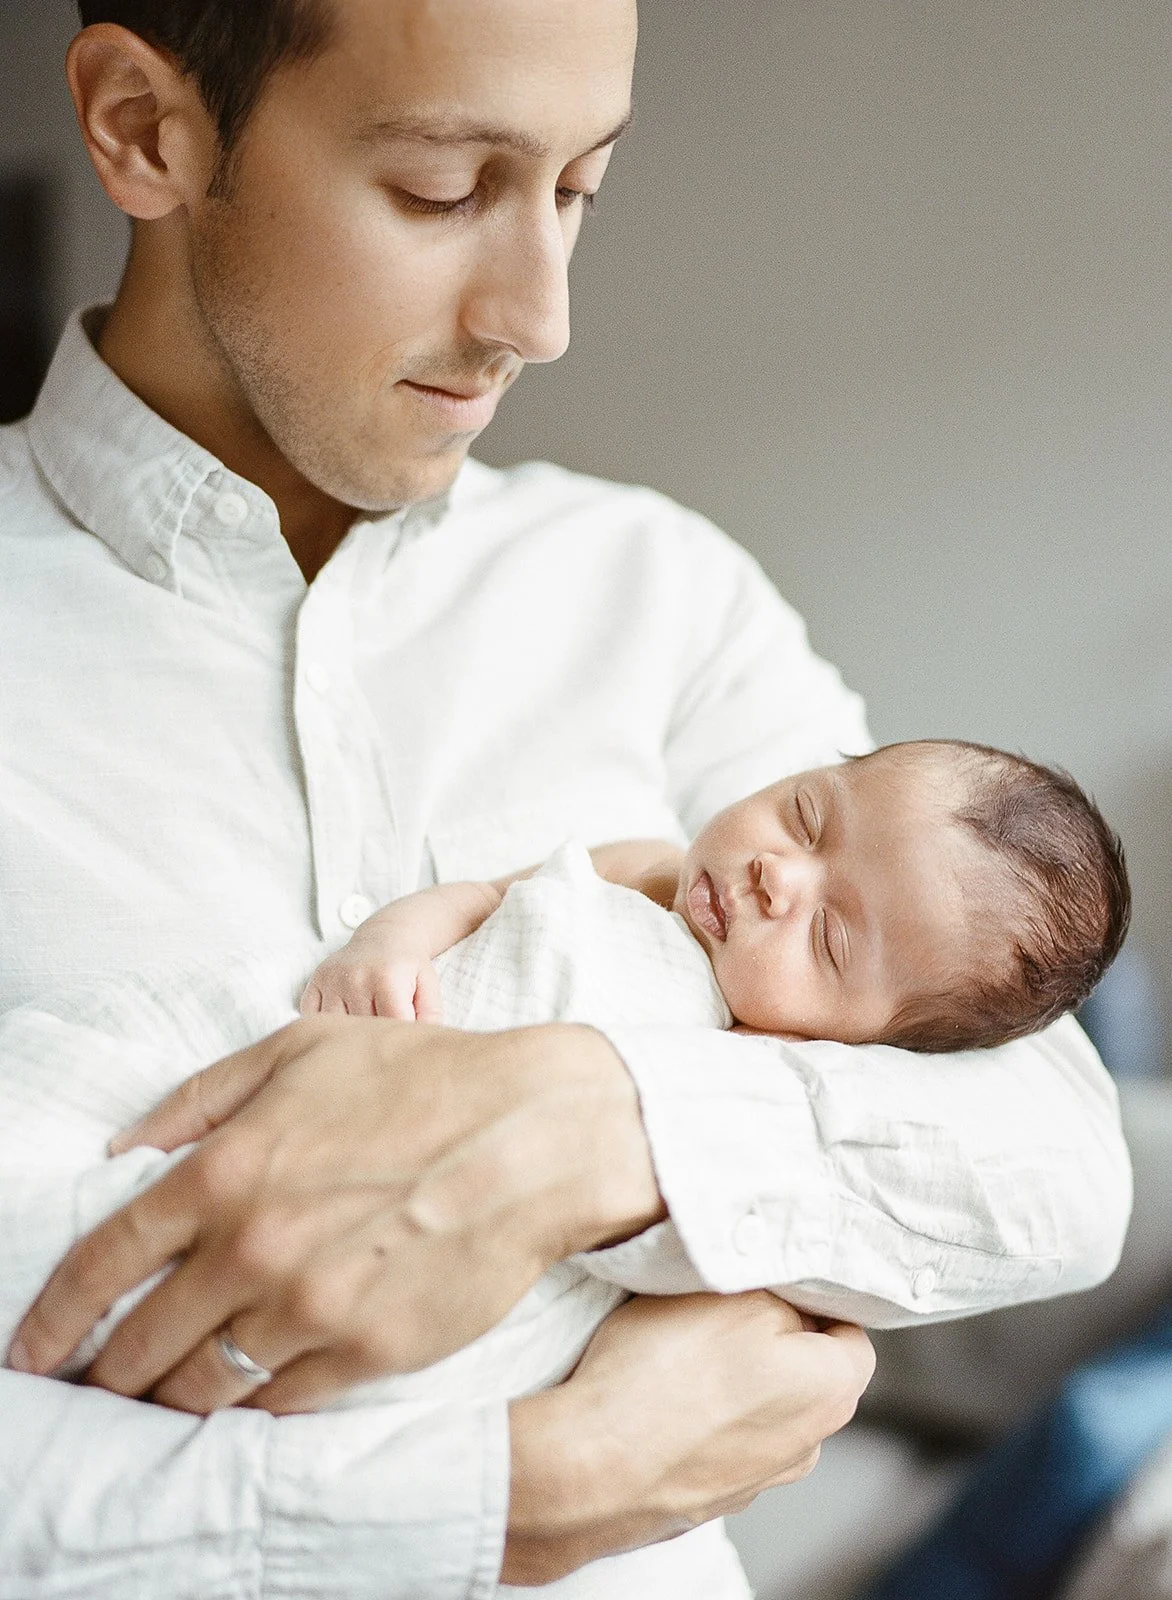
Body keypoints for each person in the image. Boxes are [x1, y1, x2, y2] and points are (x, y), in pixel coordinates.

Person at [0, 0, 1131, 1593]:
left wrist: (580, 1122)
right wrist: (510, 1492)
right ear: (142, 128)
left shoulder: (656, 592)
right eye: (446, 186)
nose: (543, 315)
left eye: (581, 189)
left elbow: (1056, 1158)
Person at [304, 740, 1131, 1052]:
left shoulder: (762, 1057)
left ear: (858, 1038)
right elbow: (479, 898)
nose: (778, 875)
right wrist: (389, 946)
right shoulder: (640, 867)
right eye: (805, 817)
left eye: (830, 941)